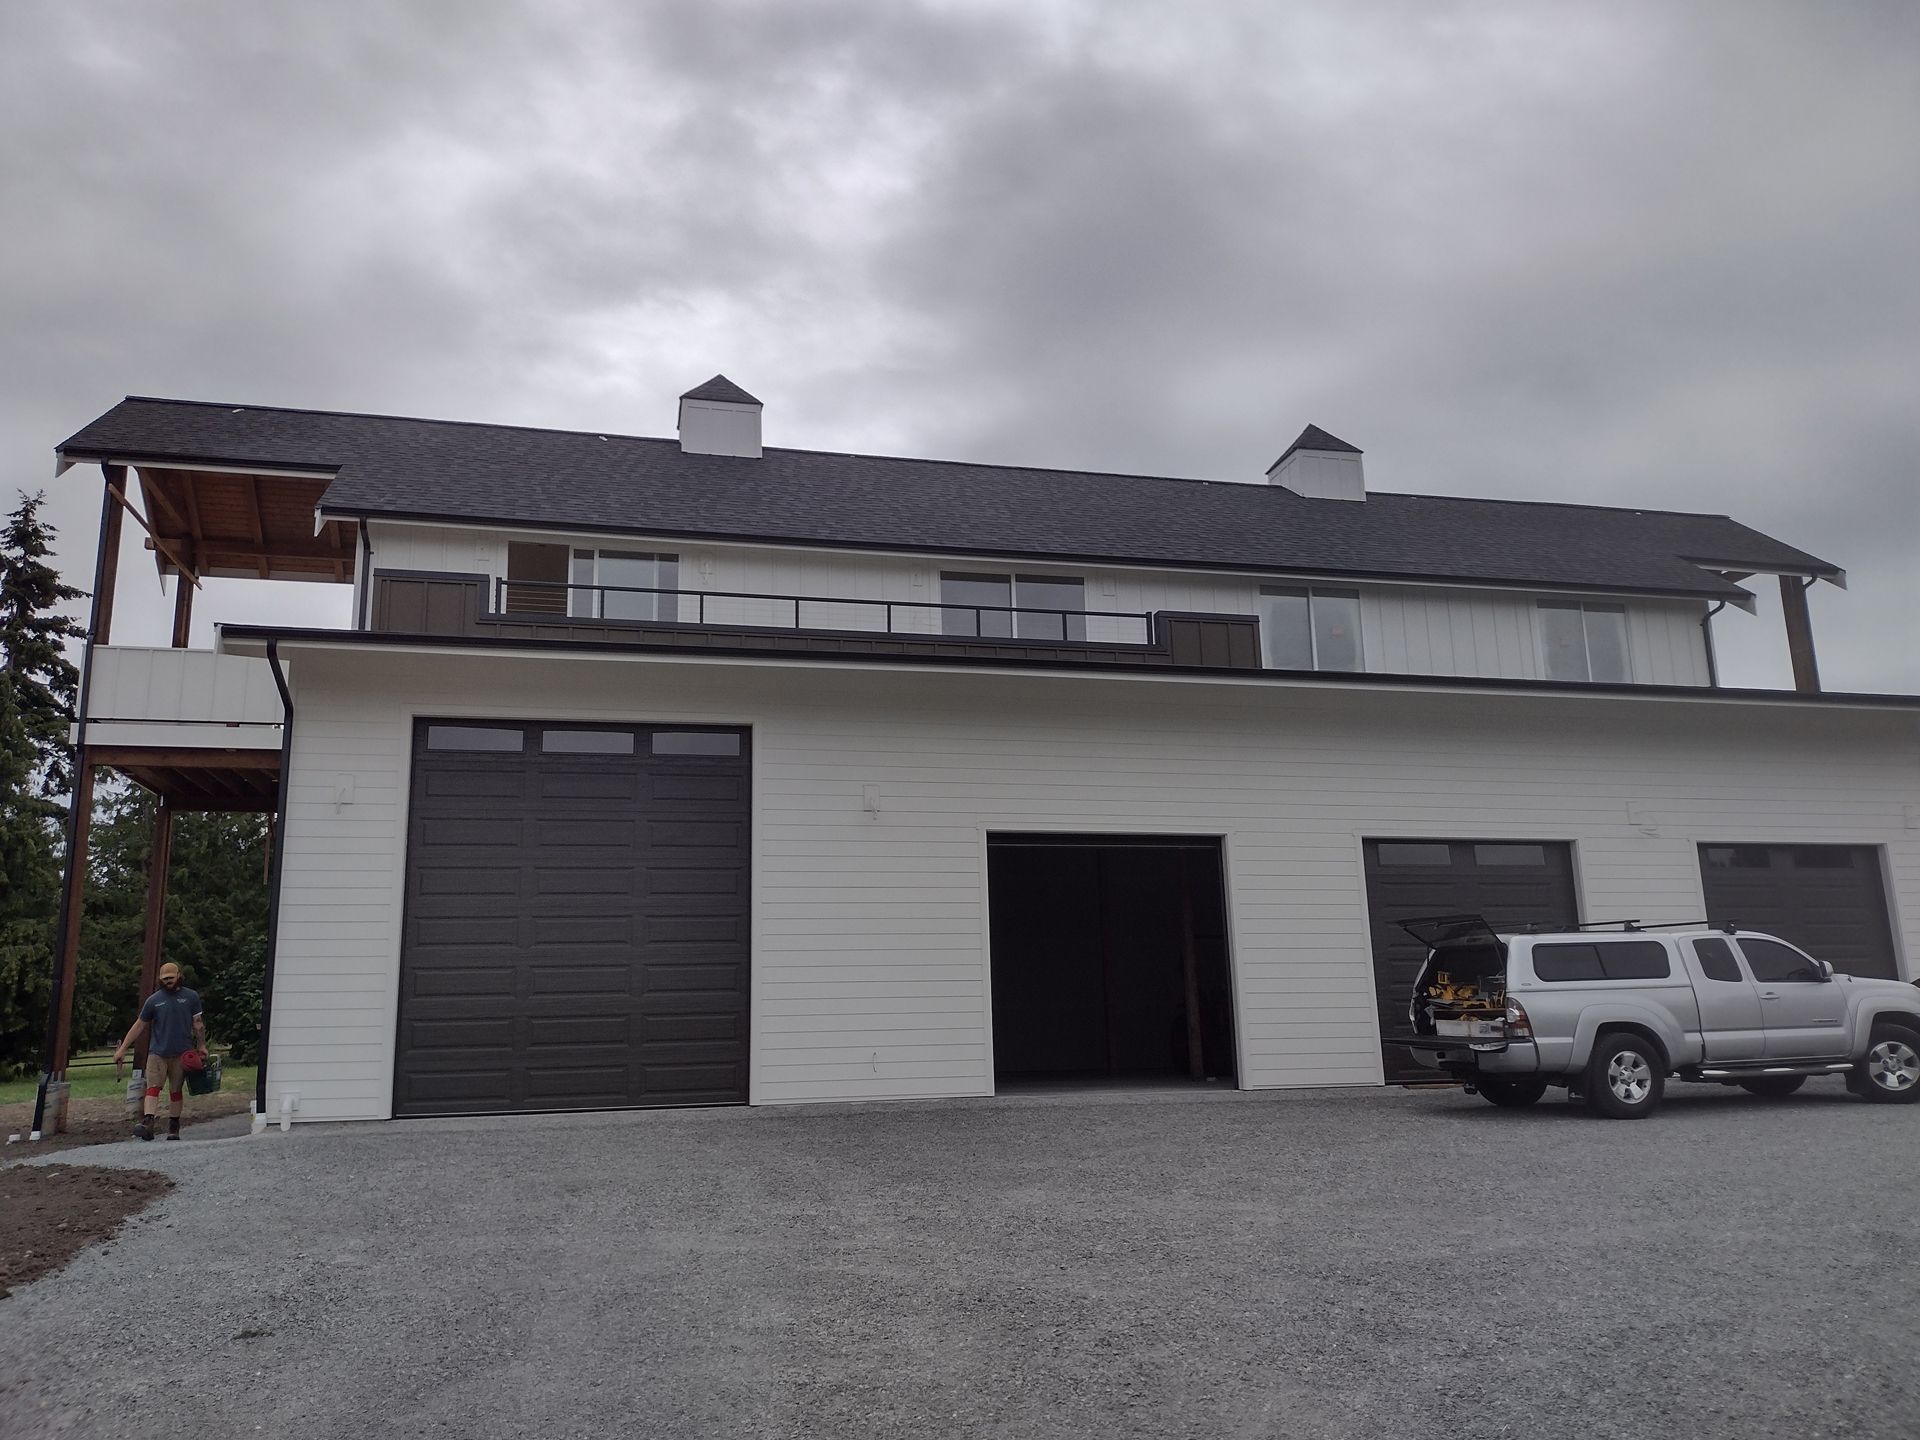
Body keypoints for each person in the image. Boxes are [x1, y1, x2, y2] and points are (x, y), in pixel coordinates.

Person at [113, 962, 207, 1141]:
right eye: (165, 979)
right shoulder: (154, 1000)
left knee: (176, 1090)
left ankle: (174, 1126)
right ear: (160, 980)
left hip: (182, 1053)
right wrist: (123, 1049)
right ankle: (148, 1122)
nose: (168, 982)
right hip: (157, 1052)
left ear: (179, 975)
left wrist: (201, 1045)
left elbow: (198, 1023)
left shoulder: (191, 997)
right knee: (153, 1088)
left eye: (171, 978)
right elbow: (139, 1025)